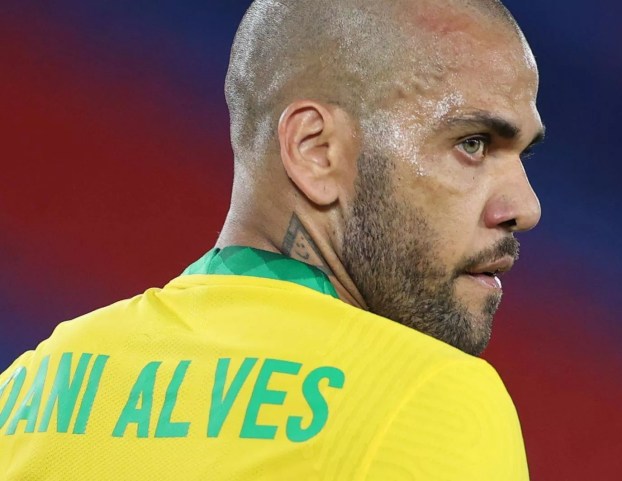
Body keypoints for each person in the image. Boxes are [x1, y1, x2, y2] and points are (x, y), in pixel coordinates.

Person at [0, 0, 545, 478]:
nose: (526, 208)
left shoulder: (27, 391)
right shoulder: (430, 399)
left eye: (524, 155)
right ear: (316, 151)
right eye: (473, 143)